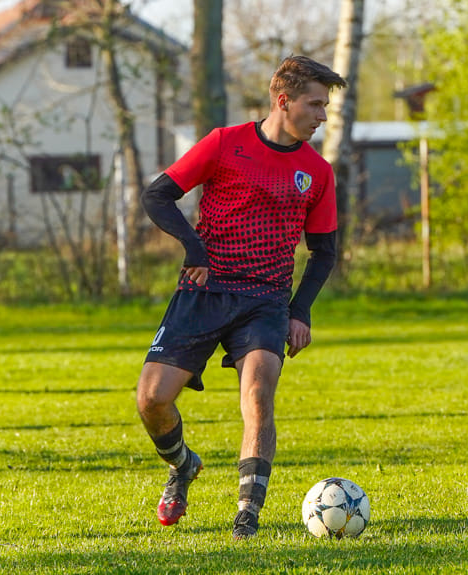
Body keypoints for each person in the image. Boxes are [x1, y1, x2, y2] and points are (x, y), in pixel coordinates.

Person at [135, 55, 346, 539]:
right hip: (204, 291)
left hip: (266, 299)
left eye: (326, 106)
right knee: (151, 399)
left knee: (257, 394)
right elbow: (156, 196)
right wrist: (194, 247)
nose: (322, 116)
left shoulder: (317, 171)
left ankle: (247, 515)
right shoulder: (224, 143)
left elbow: (324, 251)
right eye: (315, 104)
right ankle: (183, 465)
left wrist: (299, 310)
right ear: (283, 100)